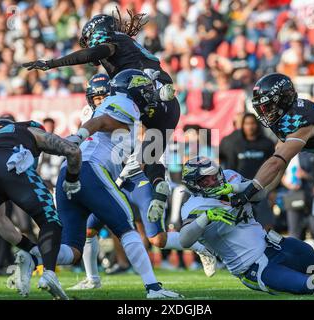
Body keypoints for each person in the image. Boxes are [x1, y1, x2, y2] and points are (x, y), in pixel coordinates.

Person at [14, 69, 183, 299]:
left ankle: (34, 257)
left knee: (72, 250)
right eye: (144, 90)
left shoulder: (121, 108)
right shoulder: (125, 103)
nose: (148, 95)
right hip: (90, 169)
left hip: (69, 173)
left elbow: (139, 153)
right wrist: (78, 138)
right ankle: (153, 288)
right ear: (133, 90)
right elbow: (101, 122)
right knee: (127, 229)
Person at [22, 11, 181, 223]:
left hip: (146, 91)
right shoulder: (127, 43)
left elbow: (88, 54)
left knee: (120, 94)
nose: (88, 45)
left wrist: (51, 64)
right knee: (148, 158)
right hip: (169, 108)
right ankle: (159, 184)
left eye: (89, 39)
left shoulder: (113, 42)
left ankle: (153, 90)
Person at [68, 72, 215, 290]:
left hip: (136, 175)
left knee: (156, 238)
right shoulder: (88, 114)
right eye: (96, 98)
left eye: (103, 96)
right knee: (88, 231)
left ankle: (198, 245)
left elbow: (151, 143)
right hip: (108, 177)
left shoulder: (132, 108)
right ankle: (92, 279)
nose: (100, 101)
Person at [226, 72, 314, 233]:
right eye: (261, 108)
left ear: (283, 100)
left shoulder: (300, 123)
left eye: (268, 106)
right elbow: (278, 164)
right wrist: (263, 191)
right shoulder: (289, 115)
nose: (264, 113)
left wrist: (250, 191)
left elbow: (276, 161)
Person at [0, 118, 82, 300]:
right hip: (10, 159)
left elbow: (1, 221)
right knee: (49, 219)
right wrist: (72, 180)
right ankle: (50, 274)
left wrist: (31, 248)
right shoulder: (27, 130)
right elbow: (73, 150)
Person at [179, 156, 314, 295]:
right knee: (306, 287)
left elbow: (260, 194)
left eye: (213, 176)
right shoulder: (194, 206)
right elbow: (184, 240)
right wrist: (206, 217)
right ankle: (288, 281)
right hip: (252, 266)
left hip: (272, 245)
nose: (212, 182)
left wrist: (236, 188)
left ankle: (290, 276)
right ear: (194, 185)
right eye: (204, 181)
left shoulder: (231, 176)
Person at [219, 113, 275, 229]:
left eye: (253, 123)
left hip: (261, 188)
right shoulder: (236, 145)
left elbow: (273, 167)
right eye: (247, 124)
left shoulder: (267, 144)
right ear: (243, 126)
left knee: (265, 225)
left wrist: (273, 189)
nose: (250, 127)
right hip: (241, 190)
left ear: (257, 125)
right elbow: (230, 168)